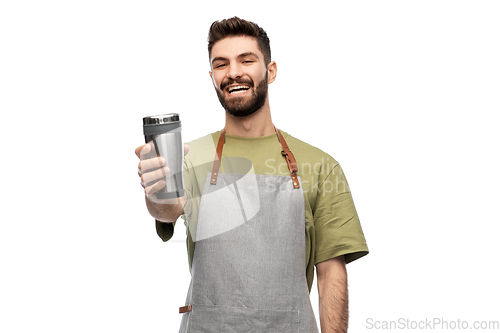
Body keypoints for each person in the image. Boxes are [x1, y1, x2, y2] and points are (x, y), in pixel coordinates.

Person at [135, 17, 368, 333]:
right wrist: (157, 188)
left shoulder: (321, 166)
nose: (233, 72)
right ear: (212, 76)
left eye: (246, 60)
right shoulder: (191, 158)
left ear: (270, 71)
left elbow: (331, 272)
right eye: (221, 64)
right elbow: (168, 208)